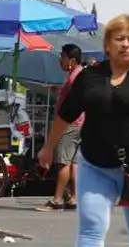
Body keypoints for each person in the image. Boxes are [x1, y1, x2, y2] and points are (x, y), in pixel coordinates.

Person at [37, 15, 129, 247]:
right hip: (95, 165)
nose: (125, 44)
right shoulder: (90, 76)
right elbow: (66, 114)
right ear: (107, 44)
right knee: (91, 228)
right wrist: (48, 148)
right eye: (119, 38)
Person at [37, 44, 84, 212]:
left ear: (71, 60)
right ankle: (74, 198)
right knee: (74, 163)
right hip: (78, 124)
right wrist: (59, 90)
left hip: (69, 125)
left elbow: (72, 102)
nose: (60, 61)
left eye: (62, 57)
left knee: (63, 163)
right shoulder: (78, 75)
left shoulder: (74, 77)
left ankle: (57, 199)